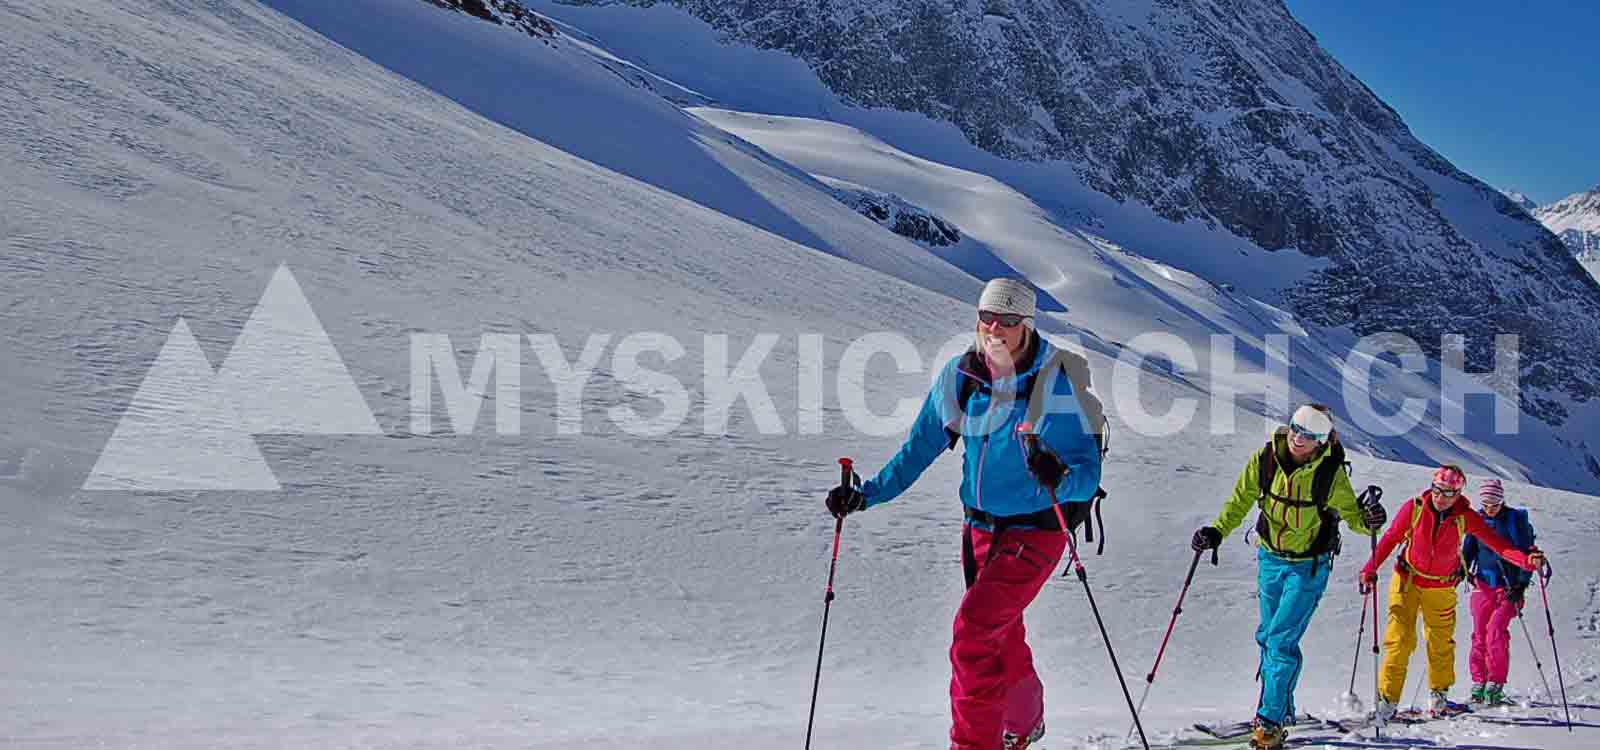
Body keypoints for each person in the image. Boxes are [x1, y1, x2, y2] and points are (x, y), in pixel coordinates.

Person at [824, 278, 1103, 750]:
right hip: (978, 529)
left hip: (1036, 531)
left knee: (974, 632)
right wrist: (866, 495)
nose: (995, 329)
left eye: (1009, 321)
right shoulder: (963, 376)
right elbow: (918, 450)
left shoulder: (1054, 384)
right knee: (999, 632)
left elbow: (1087, 475)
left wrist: (1057, 474)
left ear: (1027, 326)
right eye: (987, 318)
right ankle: (1025, 720)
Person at [1191, 404, 1384, 750]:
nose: (1298, 437)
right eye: (1296, 427)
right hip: (1270, 559)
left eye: (1309, 433)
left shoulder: (1329, 473)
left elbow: (1354, 518)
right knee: (1267, 636)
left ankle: (1269, 721)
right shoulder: (1265, 461)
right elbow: (1239, 501)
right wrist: (1216, 531)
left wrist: (1370, 519)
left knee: (1280, 640)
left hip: (1308, 567)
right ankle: (1284, 708)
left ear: (1321, 440)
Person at [1358, 466, 1546, 719]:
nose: (1440, 497)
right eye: (1437, 489)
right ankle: (1387, 702)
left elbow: (1498, 546)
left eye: (1448, 492)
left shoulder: (1465, 517)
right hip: (1407, 581)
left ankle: (1439, 697)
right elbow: (1391, 538)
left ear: (1458, 493)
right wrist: (1369, 569)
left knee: (1440, 644)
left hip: (1442, 586)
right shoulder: (1414, 507)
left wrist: (1526, 561)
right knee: (1399, 639)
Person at [1461, 478, 1537, 705]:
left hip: (1509, 587)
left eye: (1494, 503)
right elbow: (1468, 551)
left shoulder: (1514, 521)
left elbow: (1526, 554)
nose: (1490, 508)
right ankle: (1478, 683)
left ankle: (1495, 683)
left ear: (1501, 500)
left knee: (1495, 632)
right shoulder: (1477, 519)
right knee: (1479, 635)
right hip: (1482, 584)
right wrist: (1460, 570)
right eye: (1486, 504)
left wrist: (1521, 585)